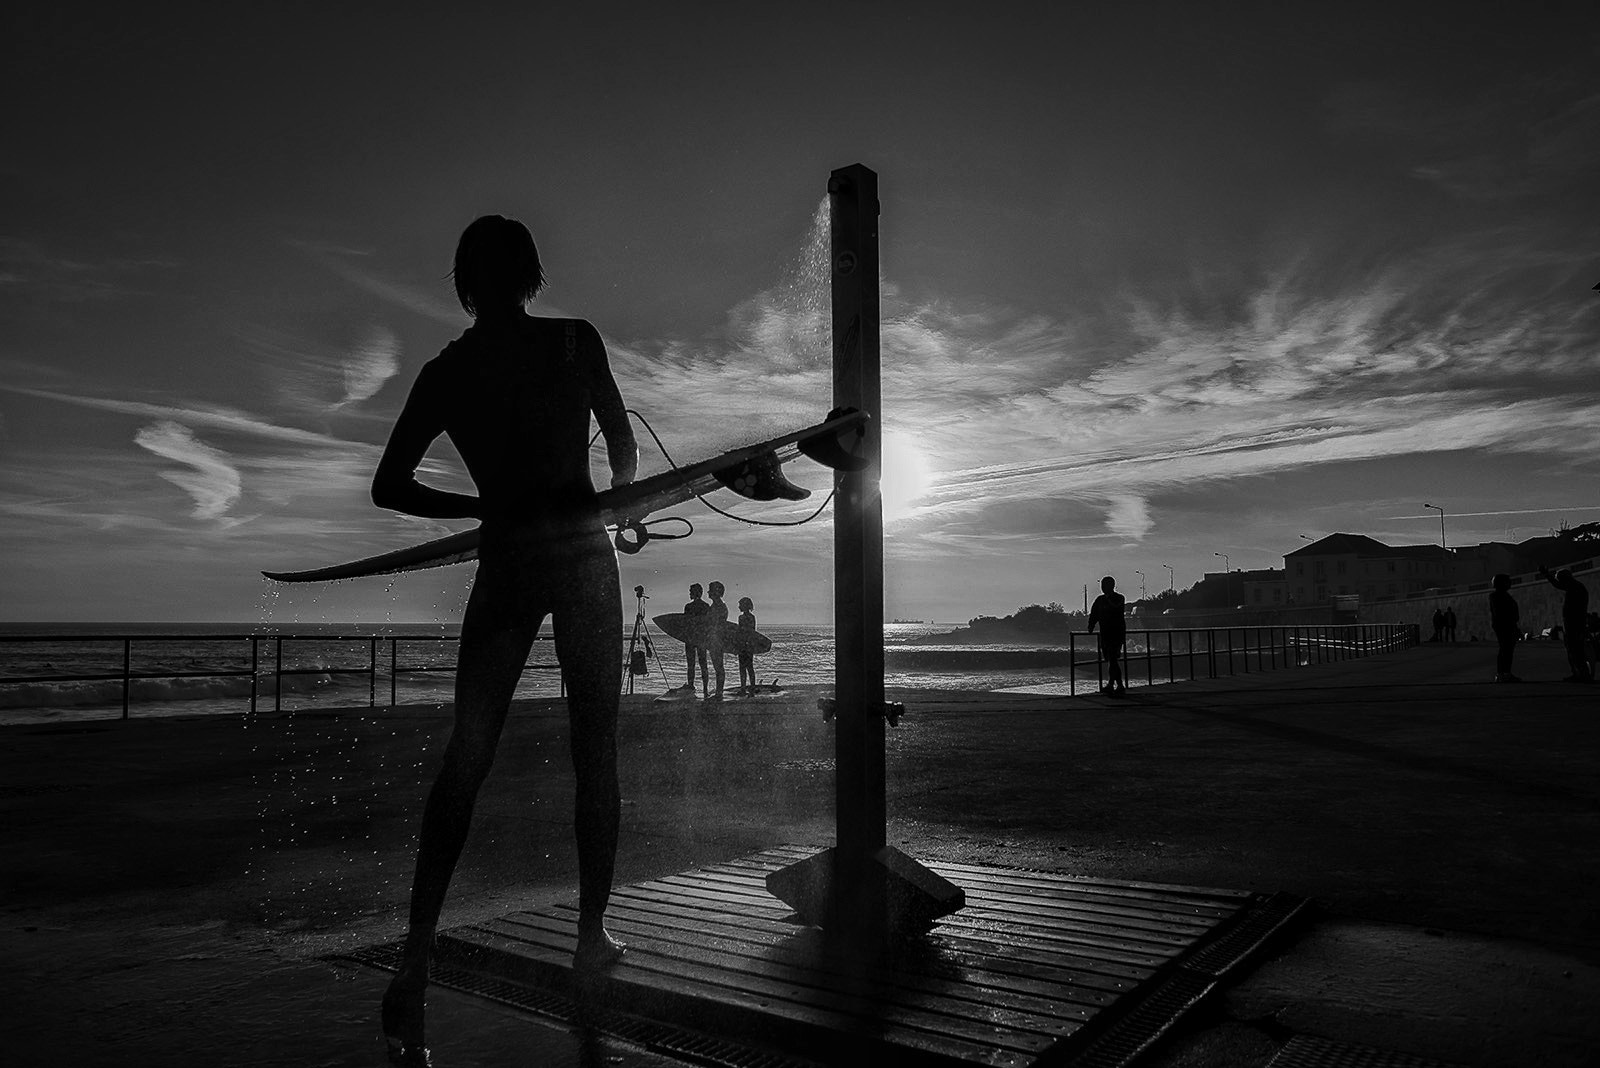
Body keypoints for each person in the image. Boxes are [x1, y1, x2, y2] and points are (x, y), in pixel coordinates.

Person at [370, 215, 637, 1065]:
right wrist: (619, 502)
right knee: (595, 747)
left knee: (468, 754)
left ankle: (419, 949)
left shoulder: (449, 372)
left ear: (465, 282)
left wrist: (484, 508)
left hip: (511, 563)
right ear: (531, 275)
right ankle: (591, 934)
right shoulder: (573, 345)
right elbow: (623, 444)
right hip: (583, 560)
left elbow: (391, 487)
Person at [1538, 566, 1591, 682]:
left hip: (1575, 624)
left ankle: (1582, 674)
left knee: (1576, 651)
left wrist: (1547, 574)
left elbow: (1558, 585)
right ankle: (1579, 674)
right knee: (1574, 651)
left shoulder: (1575, 587)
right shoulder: (1576, 587)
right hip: (1573, 623)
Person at [1087, 576, 1127, 695]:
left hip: (1115, 633)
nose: (1103, 588)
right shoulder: (1100, 600)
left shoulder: (1119, 598)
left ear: (1112, 586)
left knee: (1113, 658)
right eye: (1102, 586)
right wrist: (1091, 625)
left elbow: (1113, 608)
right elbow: (1094, 614)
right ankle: (1112, 684)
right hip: (1105, 633)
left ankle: (1118, 685)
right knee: (1110, 659)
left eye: (1105, 585)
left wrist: (1106, 600)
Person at [1488, 574, 1521, 682]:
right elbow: (1501, 613)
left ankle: (1503, 673)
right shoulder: (1498, 596)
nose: (1510, 583)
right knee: (1506, 650)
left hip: (1506, 625)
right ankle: (1504, 673)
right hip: (1505, 626)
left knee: (1506, 650)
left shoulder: (1499, 595)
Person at [682, 584, 711, 697]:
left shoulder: (688, 607)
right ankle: (705, 689)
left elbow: (685, 624)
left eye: (691, 591)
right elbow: (708, 625)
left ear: (695, 592)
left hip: (690, 638)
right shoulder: (706, 606)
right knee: (703, 664)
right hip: (701, 638)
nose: (689, 593)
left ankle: (691, 686)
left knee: (691, 665)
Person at [705, 580, 729, 700]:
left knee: (719, 667)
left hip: (717, 639)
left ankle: (719, 693)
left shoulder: (719, 606)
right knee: (718, 666)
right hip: (714, 639)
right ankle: (719, 692)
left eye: (710, 590)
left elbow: (717, 625)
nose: (708, 592)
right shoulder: (716, 605)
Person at [736, 596, 757, 696]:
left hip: (746, 645)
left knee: (747, 667)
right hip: (746, 645)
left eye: (740, 605)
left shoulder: (747, 617)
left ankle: (748, 688)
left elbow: (749, 632)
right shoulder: (745, 617)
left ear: (745, 606)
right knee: (745, 667)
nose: (739, 606)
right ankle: (746, 688)